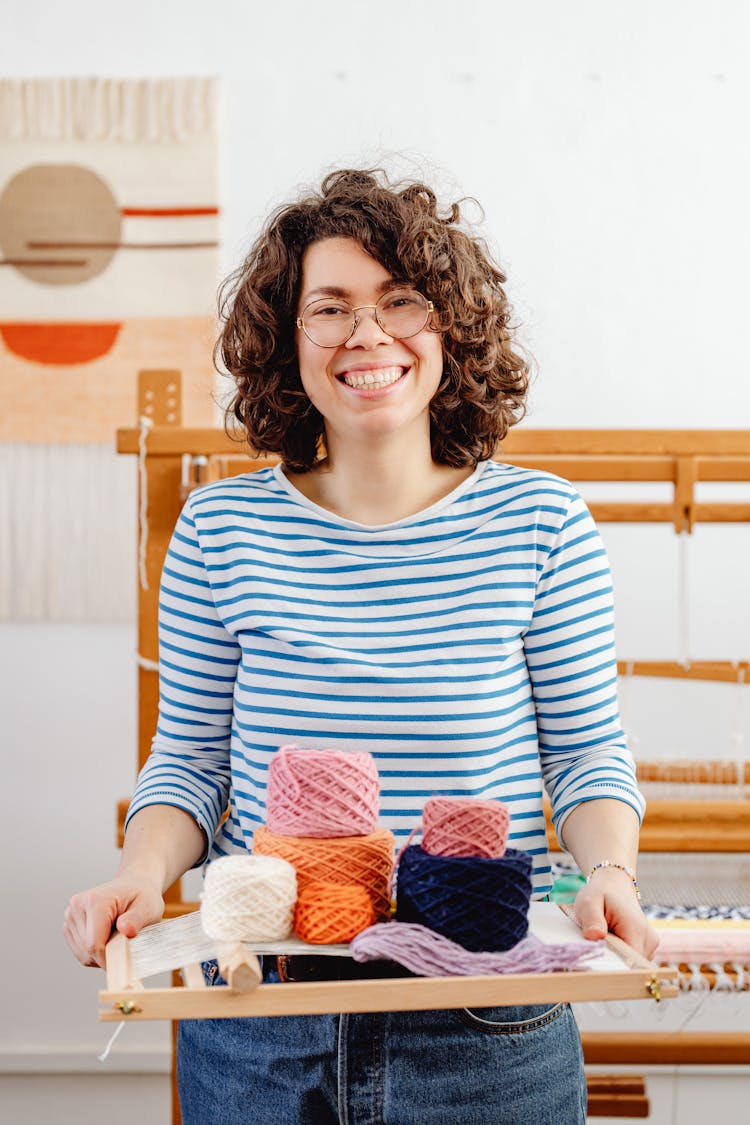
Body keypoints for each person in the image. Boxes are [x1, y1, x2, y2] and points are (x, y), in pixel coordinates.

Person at [64, 167, 657, 1124]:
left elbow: (586, 755)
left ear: (450, 327)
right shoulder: (220, 530)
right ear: (285, 339)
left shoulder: (544, 523)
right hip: (261, 1013)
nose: (367, 335)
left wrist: (611, 876)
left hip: (485, 1020)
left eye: (401, 301)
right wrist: (140, 874)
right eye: (329, 306)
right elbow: (191, 759)